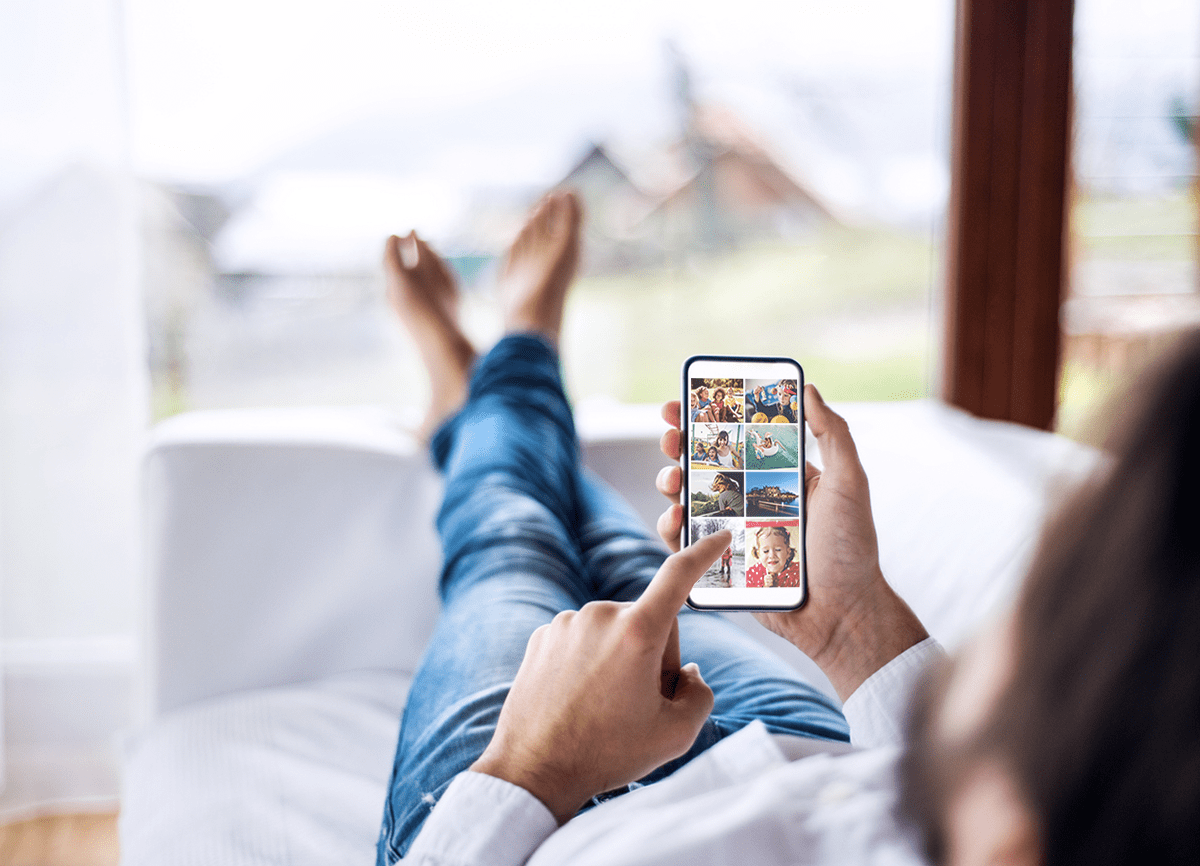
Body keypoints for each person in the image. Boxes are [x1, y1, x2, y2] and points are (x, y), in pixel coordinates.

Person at [380, 188, 1200, 866]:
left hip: (524, 825)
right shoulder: (1071, 811)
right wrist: (851, 626)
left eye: (1050, 602)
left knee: (510, 542)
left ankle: (503, 371)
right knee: (632, 555)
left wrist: (531, 770)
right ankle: (490, 400)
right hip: (807, 752)